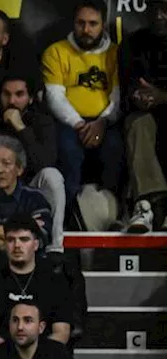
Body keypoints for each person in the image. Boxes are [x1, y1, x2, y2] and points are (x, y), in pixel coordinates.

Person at [0, 75, 65, 252]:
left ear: (31, 98)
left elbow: (44, 163)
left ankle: (54, 248)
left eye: (19, 94)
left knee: (52, 175)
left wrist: (21, 128)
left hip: (30, 190)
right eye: (7, 94)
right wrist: (26, 225)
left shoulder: (42, 122)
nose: (12, 100)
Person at [43, 0, 124, 210]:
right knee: (68, 151)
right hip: (70, 123)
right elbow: (54, 97)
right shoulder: (56, 52)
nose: (86, 30)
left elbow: (117, 95)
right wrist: (79, 124)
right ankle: (69, 216)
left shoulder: (116, 53)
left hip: (106, 121)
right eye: (81, 23)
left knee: (114, 149)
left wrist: (102, 122)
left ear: (103, 25)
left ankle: (112, 213)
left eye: (92, 23)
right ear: (73, 23)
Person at [0, 217, 78, 348]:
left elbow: (62, 333)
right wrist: (8, 351)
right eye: (11, 240)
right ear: (5, 244)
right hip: (1, 355)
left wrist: (34, 353)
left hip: (44, 356)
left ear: (36, 244)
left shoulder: (54, 279)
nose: (17, 245)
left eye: (24, 239)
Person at [123, 0, 167, 232]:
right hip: (147, 114)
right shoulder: (133, 43)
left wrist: (162, 96)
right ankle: (150, 205)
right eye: (155, 10)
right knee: (137, 123)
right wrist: (138, 95)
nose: (159, 16)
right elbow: (129, 86)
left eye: (165, 10)